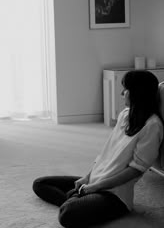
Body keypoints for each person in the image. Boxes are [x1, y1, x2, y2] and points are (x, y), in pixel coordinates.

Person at [32, 70, 164, 227]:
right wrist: (87, 179)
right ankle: (78, 197)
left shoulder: (153, 126)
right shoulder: (125, 115)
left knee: (67, 214)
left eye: (125, 89)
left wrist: (96, 187)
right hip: (95, 181)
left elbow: (136, 170)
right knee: (40, 184)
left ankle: (77, 199)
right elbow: (105, 154)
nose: (122, 93)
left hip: (114, 194)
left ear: (137, 92)